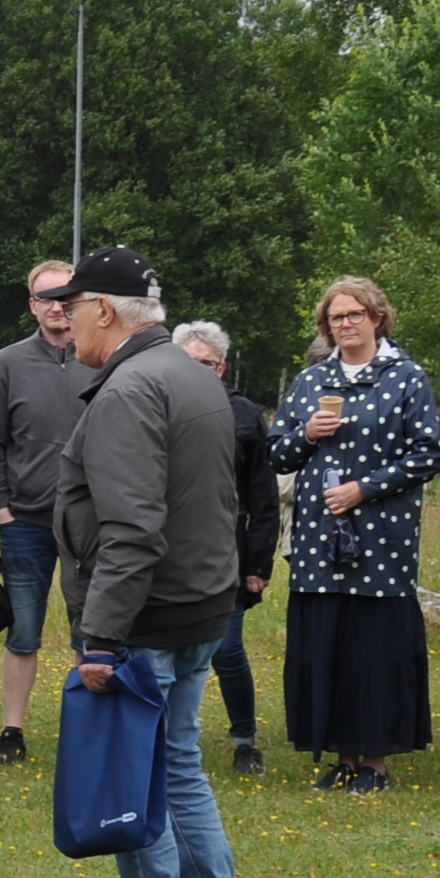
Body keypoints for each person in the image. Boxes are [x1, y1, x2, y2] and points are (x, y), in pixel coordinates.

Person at [47, 246, 247, 878]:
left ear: (104, 309)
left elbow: (132, 528)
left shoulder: (131, 390)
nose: (65, 325)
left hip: (146, 616)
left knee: (137, 774)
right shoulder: (190, 377)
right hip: (198, 606)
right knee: (180, 765)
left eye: (71, 310)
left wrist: (101, 636)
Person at [272, 275, 440, 793]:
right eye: (335, 318)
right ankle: (342, 757)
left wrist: (364, 489)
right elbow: (274, 453)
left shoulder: (406, 377)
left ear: (377, 318)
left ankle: (376, 763)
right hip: (318, 543)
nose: (345, 325)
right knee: (328, 645)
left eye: (354, 315)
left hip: (381, 539)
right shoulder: (310, 383)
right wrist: (305, 435)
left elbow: (429, 453)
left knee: (373, 649)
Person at [0, 255, 87, 763]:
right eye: (47, 298)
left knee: (93, 628)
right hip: (25, 522)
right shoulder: (9, 362)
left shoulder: (102, 358)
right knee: (23, 629)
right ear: (32, 305)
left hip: (91, 520)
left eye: (67, 297)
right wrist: (2, 506)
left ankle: (93, 729)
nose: (58, 307)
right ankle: (12, 733)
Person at [173, 321, 280, 773]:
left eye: (208, 364)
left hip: (228, 549)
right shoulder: (159, 404)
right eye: (189, 363)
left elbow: (263, 493)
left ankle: (245, 739)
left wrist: (259, 561)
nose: (198, 371)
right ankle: (172, 735)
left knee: (226, 648)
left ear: (222, 367)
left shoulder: (244, 414)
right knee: (170, 649)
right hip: (170, 548)